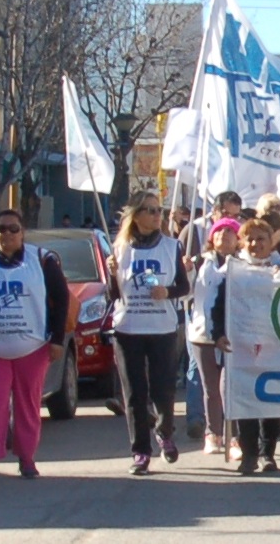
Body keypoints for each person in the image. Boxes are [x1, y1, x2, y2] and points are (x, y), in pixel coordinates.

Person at [0, 210, 70, 484]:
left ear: (23, 232)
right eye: (2, 229)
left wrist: (57, 340)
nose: (7, 234)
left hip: (32, 346)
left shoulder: (42, 261)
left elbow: (60, 300)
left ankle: (27, 457)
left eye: (13, 229)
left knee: (28, 404)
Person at [107, 192, 192, 475]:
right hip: (128, 328)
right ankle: (140, 451)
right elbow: (113, 296)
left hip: (162, 328)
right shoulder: (120, 249)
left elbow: (183, 286)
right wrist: (111, 275)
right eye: (151, 210)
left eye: (159, 210)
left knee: (163, 389)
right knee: (133, 393)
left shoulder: (170, 247)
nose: (157, 215)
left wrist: (166, 291)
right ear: (136, 216)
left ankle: (164, 432)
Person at [210, 219, 280, 474]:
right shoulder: (232, 272)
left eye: (261, 238)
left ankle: (267, 453)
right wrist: (218, 334)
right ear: (242, 242)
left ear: (271, 243)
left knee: (270, 402)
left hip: (272, 345)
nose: (256, 243)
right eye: (251, 239)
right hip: (241, 345)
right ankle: (248, 454)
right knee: (244, 400)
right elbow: (218, 307)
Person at [186, 217, 241, 456]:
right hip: (202, 334)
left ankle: (234, 436)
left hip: (233, 334)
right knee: (210, 388)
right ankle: (213, 434)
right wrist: (185, 271)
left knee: (230, 387)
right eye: (219, 231)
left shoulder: (242, 264)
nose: (224, 235)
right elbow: (185, 292)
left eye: (230, 231)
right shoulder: (200, 262)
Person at [180, 190, 242, 266]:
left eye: (235, 216)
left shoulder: (239, 231)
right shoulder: (194, 230)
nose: (229, 219)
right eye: (226, 213)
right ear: (215, 210)